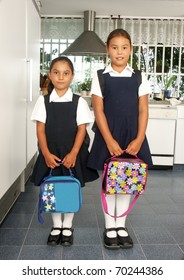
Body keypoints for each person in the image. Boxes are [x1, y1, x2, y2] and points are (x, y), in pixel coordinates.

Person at [88, 29, 153, 249]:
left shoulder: (139, 77)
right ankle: (110, 226)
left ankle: (121, 225)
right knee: (110, 184)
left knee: (127, 182)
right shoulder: (99, 77)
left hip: (132, 137)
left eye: (124, 47)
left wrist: (139, 139)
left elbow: (143, 110)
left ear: (130, 50)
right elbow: (99, 111)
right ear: (107, 49)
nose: (119, 52)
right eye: (114, 47)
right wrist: (108, 141)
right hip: (109, 137)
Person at [31, 56, 99, 246]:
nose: (61, 77)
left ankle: (67, 225)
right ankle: (56, 225)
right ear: (50, 76)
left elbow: (81, 129)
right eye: (56, 72)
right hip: (50, 154)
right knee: (52, 188)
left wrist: (74, 153)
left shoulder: (79, 102)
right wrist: (45, 153)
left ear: (72, 76)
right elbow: (40, 129)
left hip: (72, 154)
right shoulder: (43, 102)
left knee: (69, 188)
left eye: (66, 73)